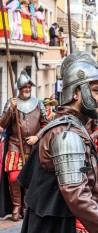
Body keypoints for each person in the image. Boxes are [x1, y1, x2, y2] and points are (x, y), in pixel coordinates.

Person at [16, 52, 98, 233]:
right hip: (60, 226)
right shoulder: (67, 135)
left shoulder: (74, 127)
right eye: (97, 90)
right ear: (75, 93)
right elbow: (76, 194)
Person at [0, 70, 47, 221]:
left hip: (33, 146)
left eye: (28, 86)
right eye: (24, 86)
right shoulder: (11, 102)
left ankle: (27, 206)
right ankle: (16, 206)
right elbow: (2, 124)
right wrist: (10, 110)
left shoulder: (39, 104)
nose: (27, 89)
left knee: (31, 178)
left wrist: (37, 136)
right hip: (15, 144)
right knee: (14, 177)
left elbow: (46, 125)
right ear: (19, 88)